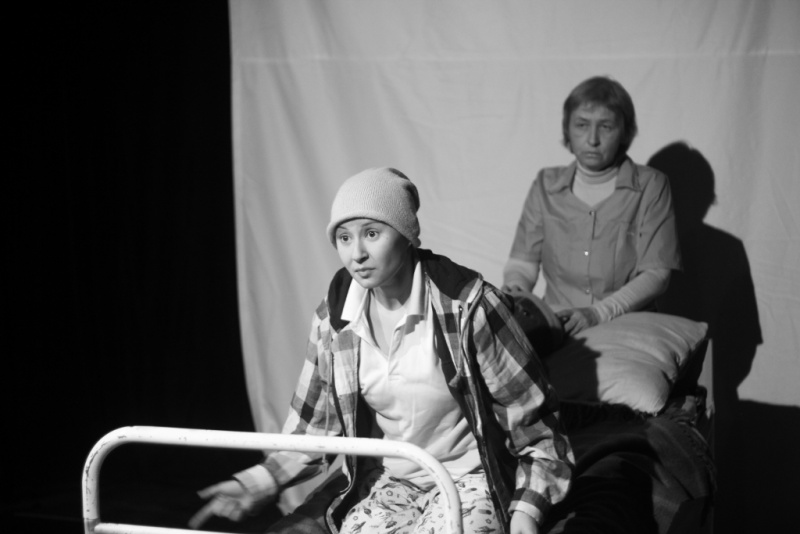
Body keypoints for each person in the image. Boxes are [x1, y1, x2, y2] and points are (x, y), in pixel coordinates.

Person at [190, 167, 573, 534]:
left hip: (470, 478)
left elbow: (536, 426)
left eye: (371, 233)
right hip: (390, 479)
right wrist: (257, 482)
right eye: (344, 238)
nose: (356, 253)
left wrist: (528, 508)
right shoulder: (335, 318)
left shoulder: (469, 307)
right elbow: (315, 428)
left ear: (407, 235)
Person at [502, 76, 681, 336]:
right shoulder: (546, 185)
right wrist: (516, 290)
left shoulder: (651, 186)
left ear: (624, 132)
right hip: (557, 325)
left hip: (627, 326)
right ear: (567, 130)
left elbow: (657, 274)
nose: (593, 139)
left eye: (606, 126)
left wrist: (598, 314)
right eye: (582, 125)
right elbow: (522, 263)